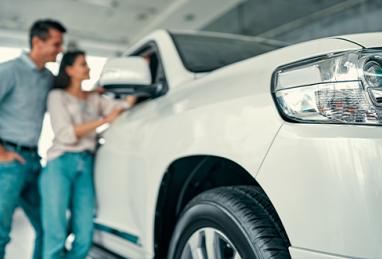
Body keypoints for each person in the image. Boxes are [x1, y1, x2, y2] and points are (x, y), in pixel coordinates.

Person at [40, 50, 136, 259]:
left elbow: (123, 106)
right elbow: (66, 134)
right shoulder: (57, 96)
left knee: (84, 235)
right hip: (60, 162)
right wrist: (104, 121)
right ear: (69, 70)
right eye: (83, 64)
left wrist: (140, 72)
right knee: (55, 233)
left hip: (86, 164)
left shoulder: (95, 98)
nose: (88, 68)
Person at [0, 19, 66, 259]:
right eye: (56, 44)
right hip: (7, 162)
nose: (60, 50)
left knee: (49, 228)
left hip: (33, 162)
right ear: (37, 41)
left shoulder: (47, 77)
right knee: (0, 232)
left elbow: (71, 94)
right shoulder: (9, 71)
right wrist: (1, 153)